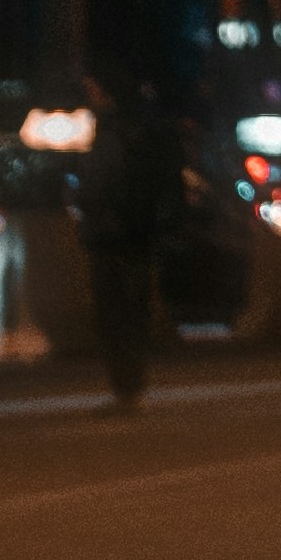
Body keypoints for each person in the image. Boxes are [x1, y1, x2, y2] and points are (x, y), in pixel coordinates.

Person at [75, 77, 196, 410]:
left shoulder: (111, 135)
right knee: (134, 311)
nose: (92, 96)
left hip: (112, 237)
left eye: (97, 90)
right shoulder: (146, 130)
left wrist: (88, 206)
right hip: (140, 235)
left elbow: (99, 185)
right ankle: (132, 386)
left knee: (114, 314)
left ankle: (125, 388)